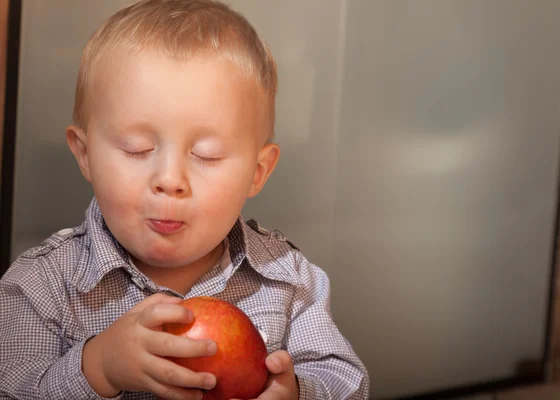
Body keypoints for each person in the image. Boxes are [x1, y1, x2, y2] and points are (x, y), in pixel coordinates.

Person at [0, 1, 369, 399]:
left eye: (207, 154)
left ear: (258, 172)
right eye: (138, 148)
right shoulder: (40, 287)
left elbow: (347, 382)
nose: (170, 180)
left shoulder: (290, 281)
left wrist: (297, 391)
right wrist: (98, 368)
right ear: (85, 154)